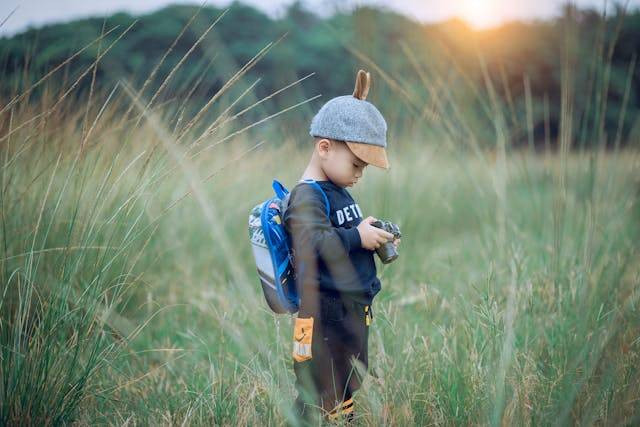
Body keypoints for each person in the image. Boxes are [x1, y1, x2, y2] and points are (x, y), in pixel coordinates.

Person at [283, 69, 400, 424]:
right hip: (323, 314)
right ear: (324, 148)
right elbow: (313, 243)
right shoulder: (306, 196)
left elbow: (341, 235)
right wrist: (356, 236)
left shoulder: (337, 190)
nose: (360, 173)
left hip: (347, 310)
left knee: (347, 377)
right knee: (319, 385)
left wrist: (369, 231)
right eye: (356, 163)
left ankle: (341, 418)